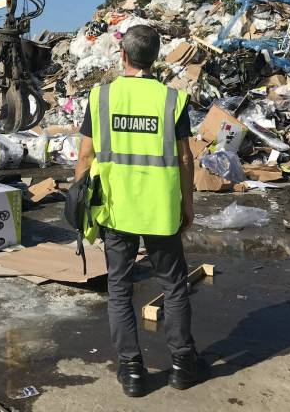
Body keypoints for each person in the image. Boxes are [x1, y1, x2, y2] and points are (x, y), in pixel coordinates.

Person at [74, 24, 198, 397]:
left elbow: (85, 154)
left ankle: (132, 372)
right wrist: (187, 205)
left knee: (120, 288)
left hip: (116, 210)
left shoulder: (101, 98)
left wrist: (81, 205)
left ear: (122, 55)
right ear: (155, 58)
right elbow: (185, 158)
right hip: (160, 210)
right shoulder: (170, 99)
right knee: (174, 286)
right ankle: (182, 366)